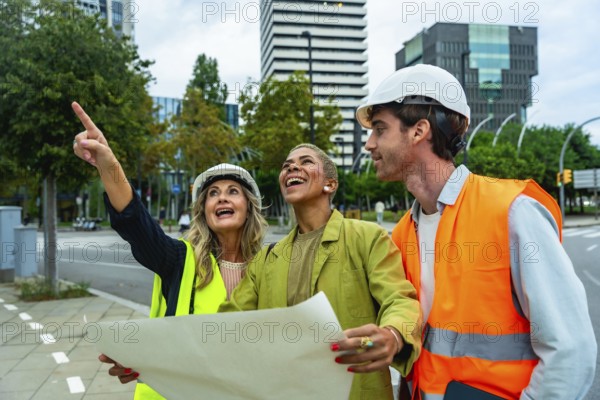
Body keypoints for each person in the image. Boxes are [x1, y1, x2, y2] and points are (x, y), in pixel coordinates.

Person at [356, 64, 597, 399]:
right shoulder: (401, 235)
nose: (369, 144)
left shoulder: (512, 211)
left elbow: (571, 350)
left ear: (418, 130)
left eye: (379, 129)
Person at [71, 102, 268, 399]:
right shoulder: (178, 259)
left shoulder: (270, 265)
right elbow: (136, 224)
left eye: (232, 192)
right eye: (212, 194)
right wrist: (108, 165)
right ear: (204, 210)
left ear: (248, 206)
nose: (221, 198)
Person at [220, 143, 421, 400]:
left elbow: (399, 300)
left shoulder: (368, 238)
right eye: (287, 165)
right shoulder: (266, 260)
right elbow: (230, 325)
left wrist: (393, 334)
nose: (292, 166)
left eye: (306, 162)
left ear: (330, 184)